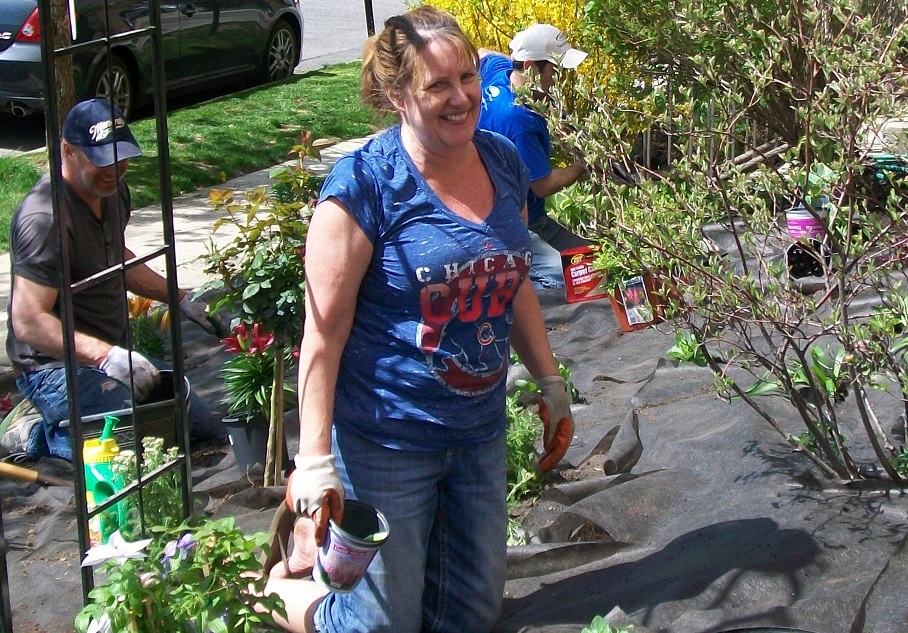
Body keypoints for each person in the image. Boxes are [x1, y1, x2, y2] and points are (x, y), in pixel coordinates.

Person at [265, 7, 574, 633]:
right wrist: (315, 456)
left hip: (477, 432)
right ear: (396, 94)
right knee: (376, 629)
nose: (461, 98)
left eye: (466, 77)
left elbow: (511, 282)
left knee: (468, 618)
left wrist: (550, 382)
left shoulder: (501, 160)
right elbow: (322, 336)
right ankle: (278, 592)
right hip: (387, 441)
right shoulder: (363, 190)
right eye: (438, 86)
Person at [6, 98, 227, 461]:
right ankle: (36, 434)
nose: (114, 169)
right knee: (131, 453)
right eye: (101, 160)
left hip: (113, 356)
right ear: (68, 151)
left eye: (121, 157)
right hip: (52, 367)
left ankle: (76, 424)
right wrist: (106, 356)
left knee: (197, 427)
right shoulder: (45, 219)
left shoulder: (110, 190)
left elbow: (115, 259)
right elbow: (29, 321)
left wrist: (180, 298)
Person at [477, 24, 592, 289]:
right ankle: (514, 279)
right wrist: (586, 163)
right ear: (531, 68)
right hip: (512, 225)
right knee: (574, 277)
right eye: (556, 71)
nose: (561, 79)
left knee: (594, 260)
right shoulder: (520, 120)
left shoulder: (500, 74)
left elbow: (482, 53)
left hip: (515, 213)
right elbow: (543, 185)